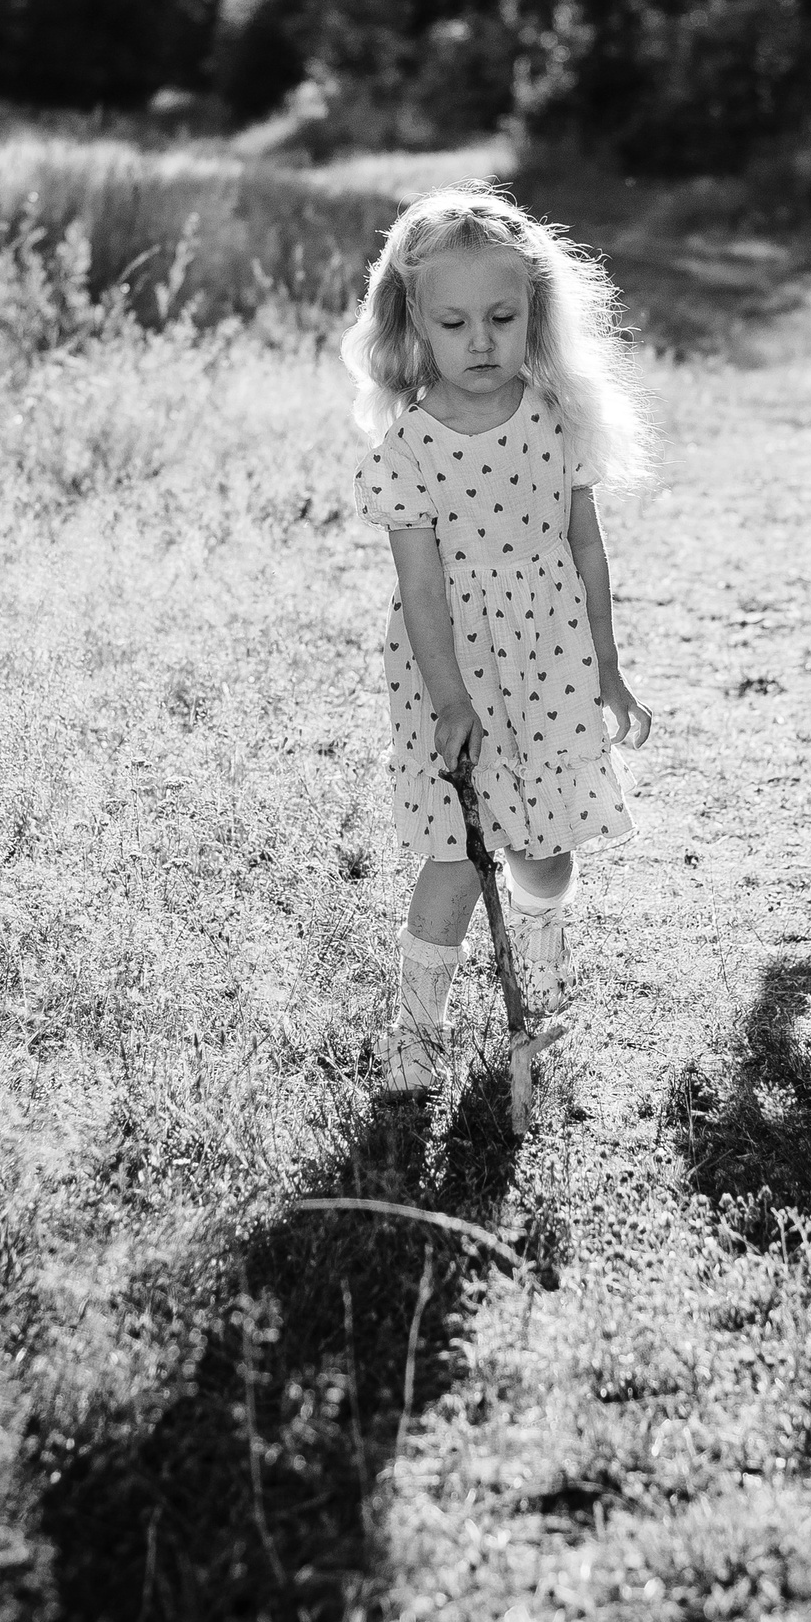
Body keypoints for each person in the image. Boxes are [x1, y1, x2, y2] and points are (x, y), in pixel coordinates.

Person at [342, 188, 653, 1094]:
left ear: (534, 314)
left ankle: (542, 961)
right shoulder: (409, 448)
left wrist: (608, 668)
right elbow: (421, 587)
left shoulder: (557, 420)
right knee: (455, 852)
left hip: (549, 660)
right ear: (416, 324)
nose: (480, 342)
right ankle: (416, 1030)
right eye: (454, 323)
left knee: (543, 847)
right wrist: (450, 701)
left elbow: (586, 551)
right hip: (454, 669)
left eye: (502, 318)